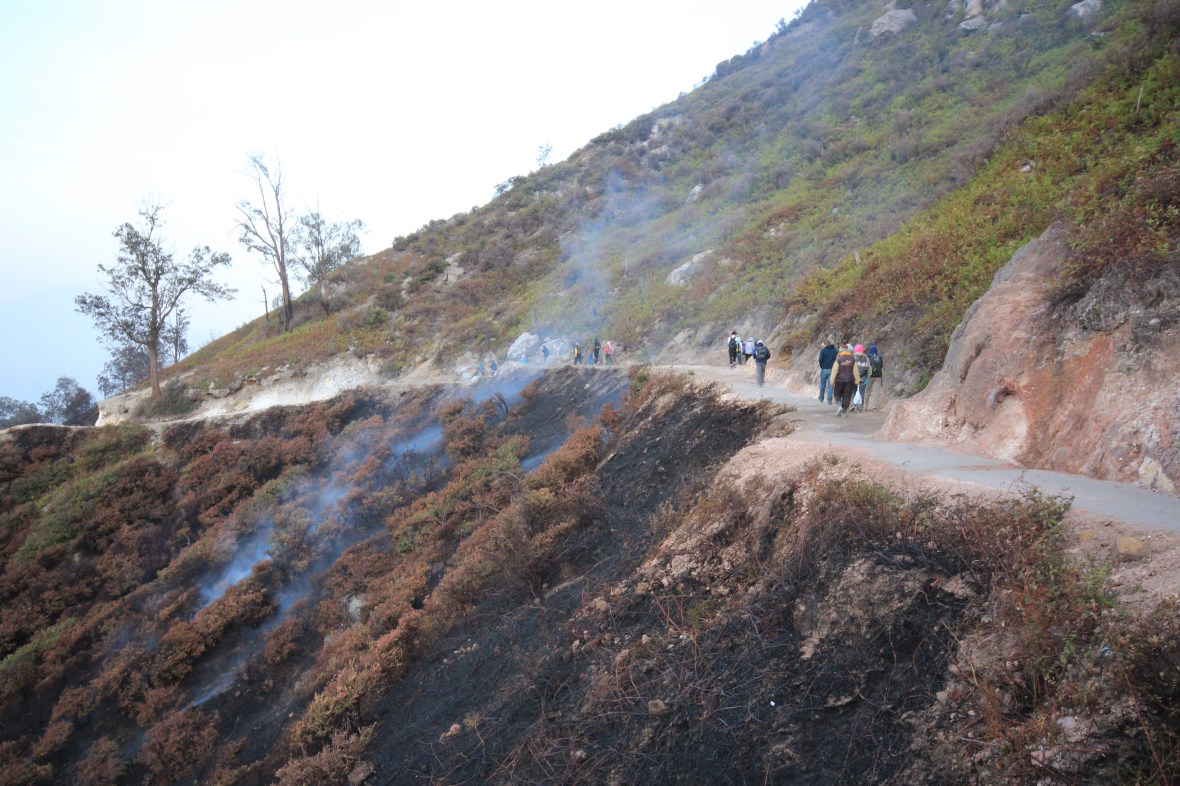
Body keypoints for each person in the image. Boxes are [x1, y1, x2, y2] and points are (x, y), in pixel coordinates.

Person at [831, 344, 860, 416]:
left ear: (840, 350)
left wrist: (832, 381)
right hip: (849, 381)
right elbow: (856, 371)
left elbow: (834, 371)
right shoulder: (853, 359)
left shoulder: (838, 359)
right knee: (847, 396)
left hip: (839, 380)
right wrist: (857, 380)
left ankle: (839, 406)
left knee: (837, 394)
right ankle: (844, 412)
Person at [817, 339, 837, 404]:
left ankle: (821, 398)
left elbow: (820, 360)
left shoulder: (823, 351)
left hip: (824, 369)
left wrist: (822, 366)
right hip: (832, 369)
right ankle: (829, 399)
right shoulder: (835, 351)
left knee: (822, 384)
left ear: (825, 345)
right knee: (830, 385)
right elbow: (837, 360)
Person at [852, 344, 871, 412]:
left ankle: (853, 405)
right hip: (863, 378)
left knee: (853, 391)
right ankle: (860, 406)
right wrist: (868, 377)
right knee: (862, 392)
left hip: (854, 378)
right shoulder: (866, 358)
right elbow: (869, 369)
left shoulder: (853, 358)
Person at [865, 345, 884, 410]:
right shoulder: (879, 357)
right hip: (878, 377)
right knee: (876, 392)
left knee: (867, 391)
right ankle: (875, 407)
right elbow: (881, 365)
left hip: (870, 376)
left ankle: (865, 407)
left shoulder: (868, 356)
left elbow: (866, 366)